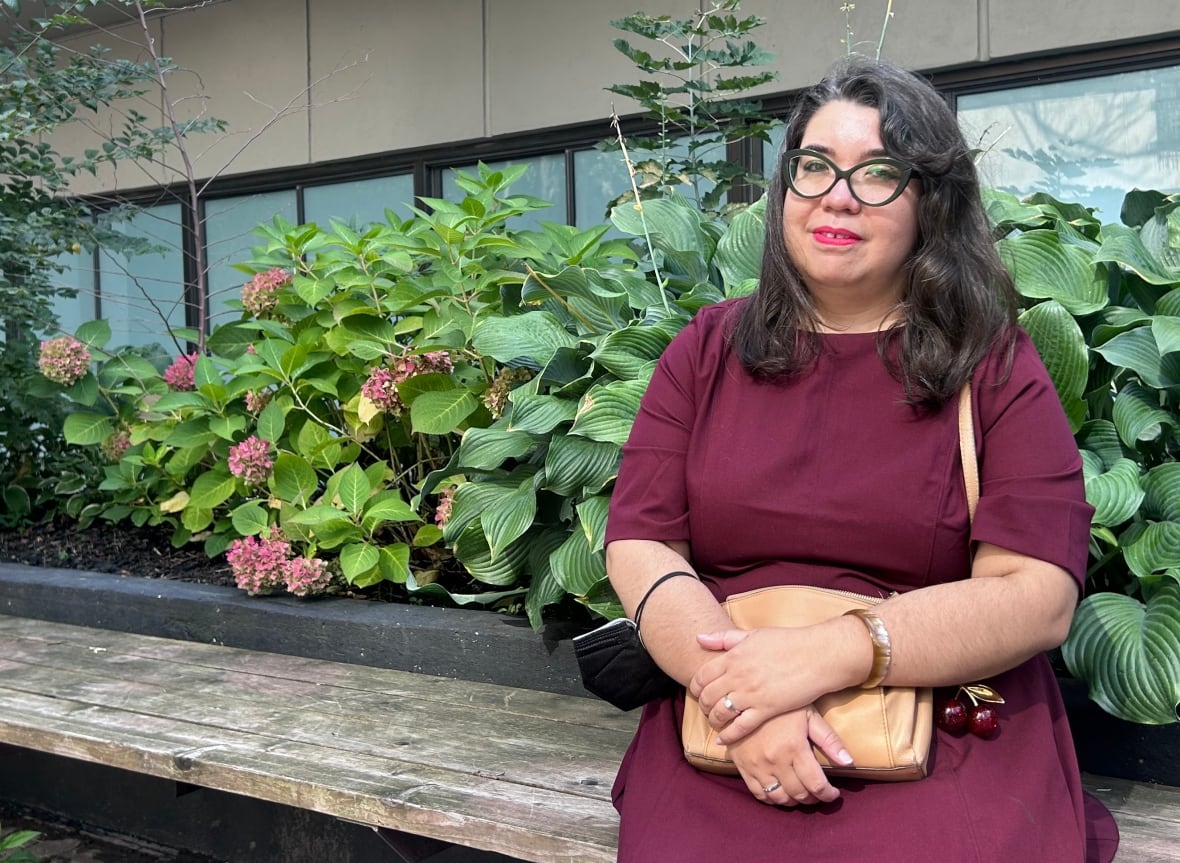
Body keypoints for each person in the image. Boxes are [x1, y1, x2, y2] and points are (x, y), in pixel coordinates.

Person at [604, 57, 1119, 862]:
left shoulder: (991, 365)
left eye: (878, 173)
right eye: (814, 166)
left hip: (942, 736)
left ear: (931, 201)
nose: (837, 197)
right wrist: (740, 696)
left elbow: (1038, 595)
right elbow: (642, 543)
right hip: (723, 736)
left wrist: (829, 653)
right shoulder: (705, 351)